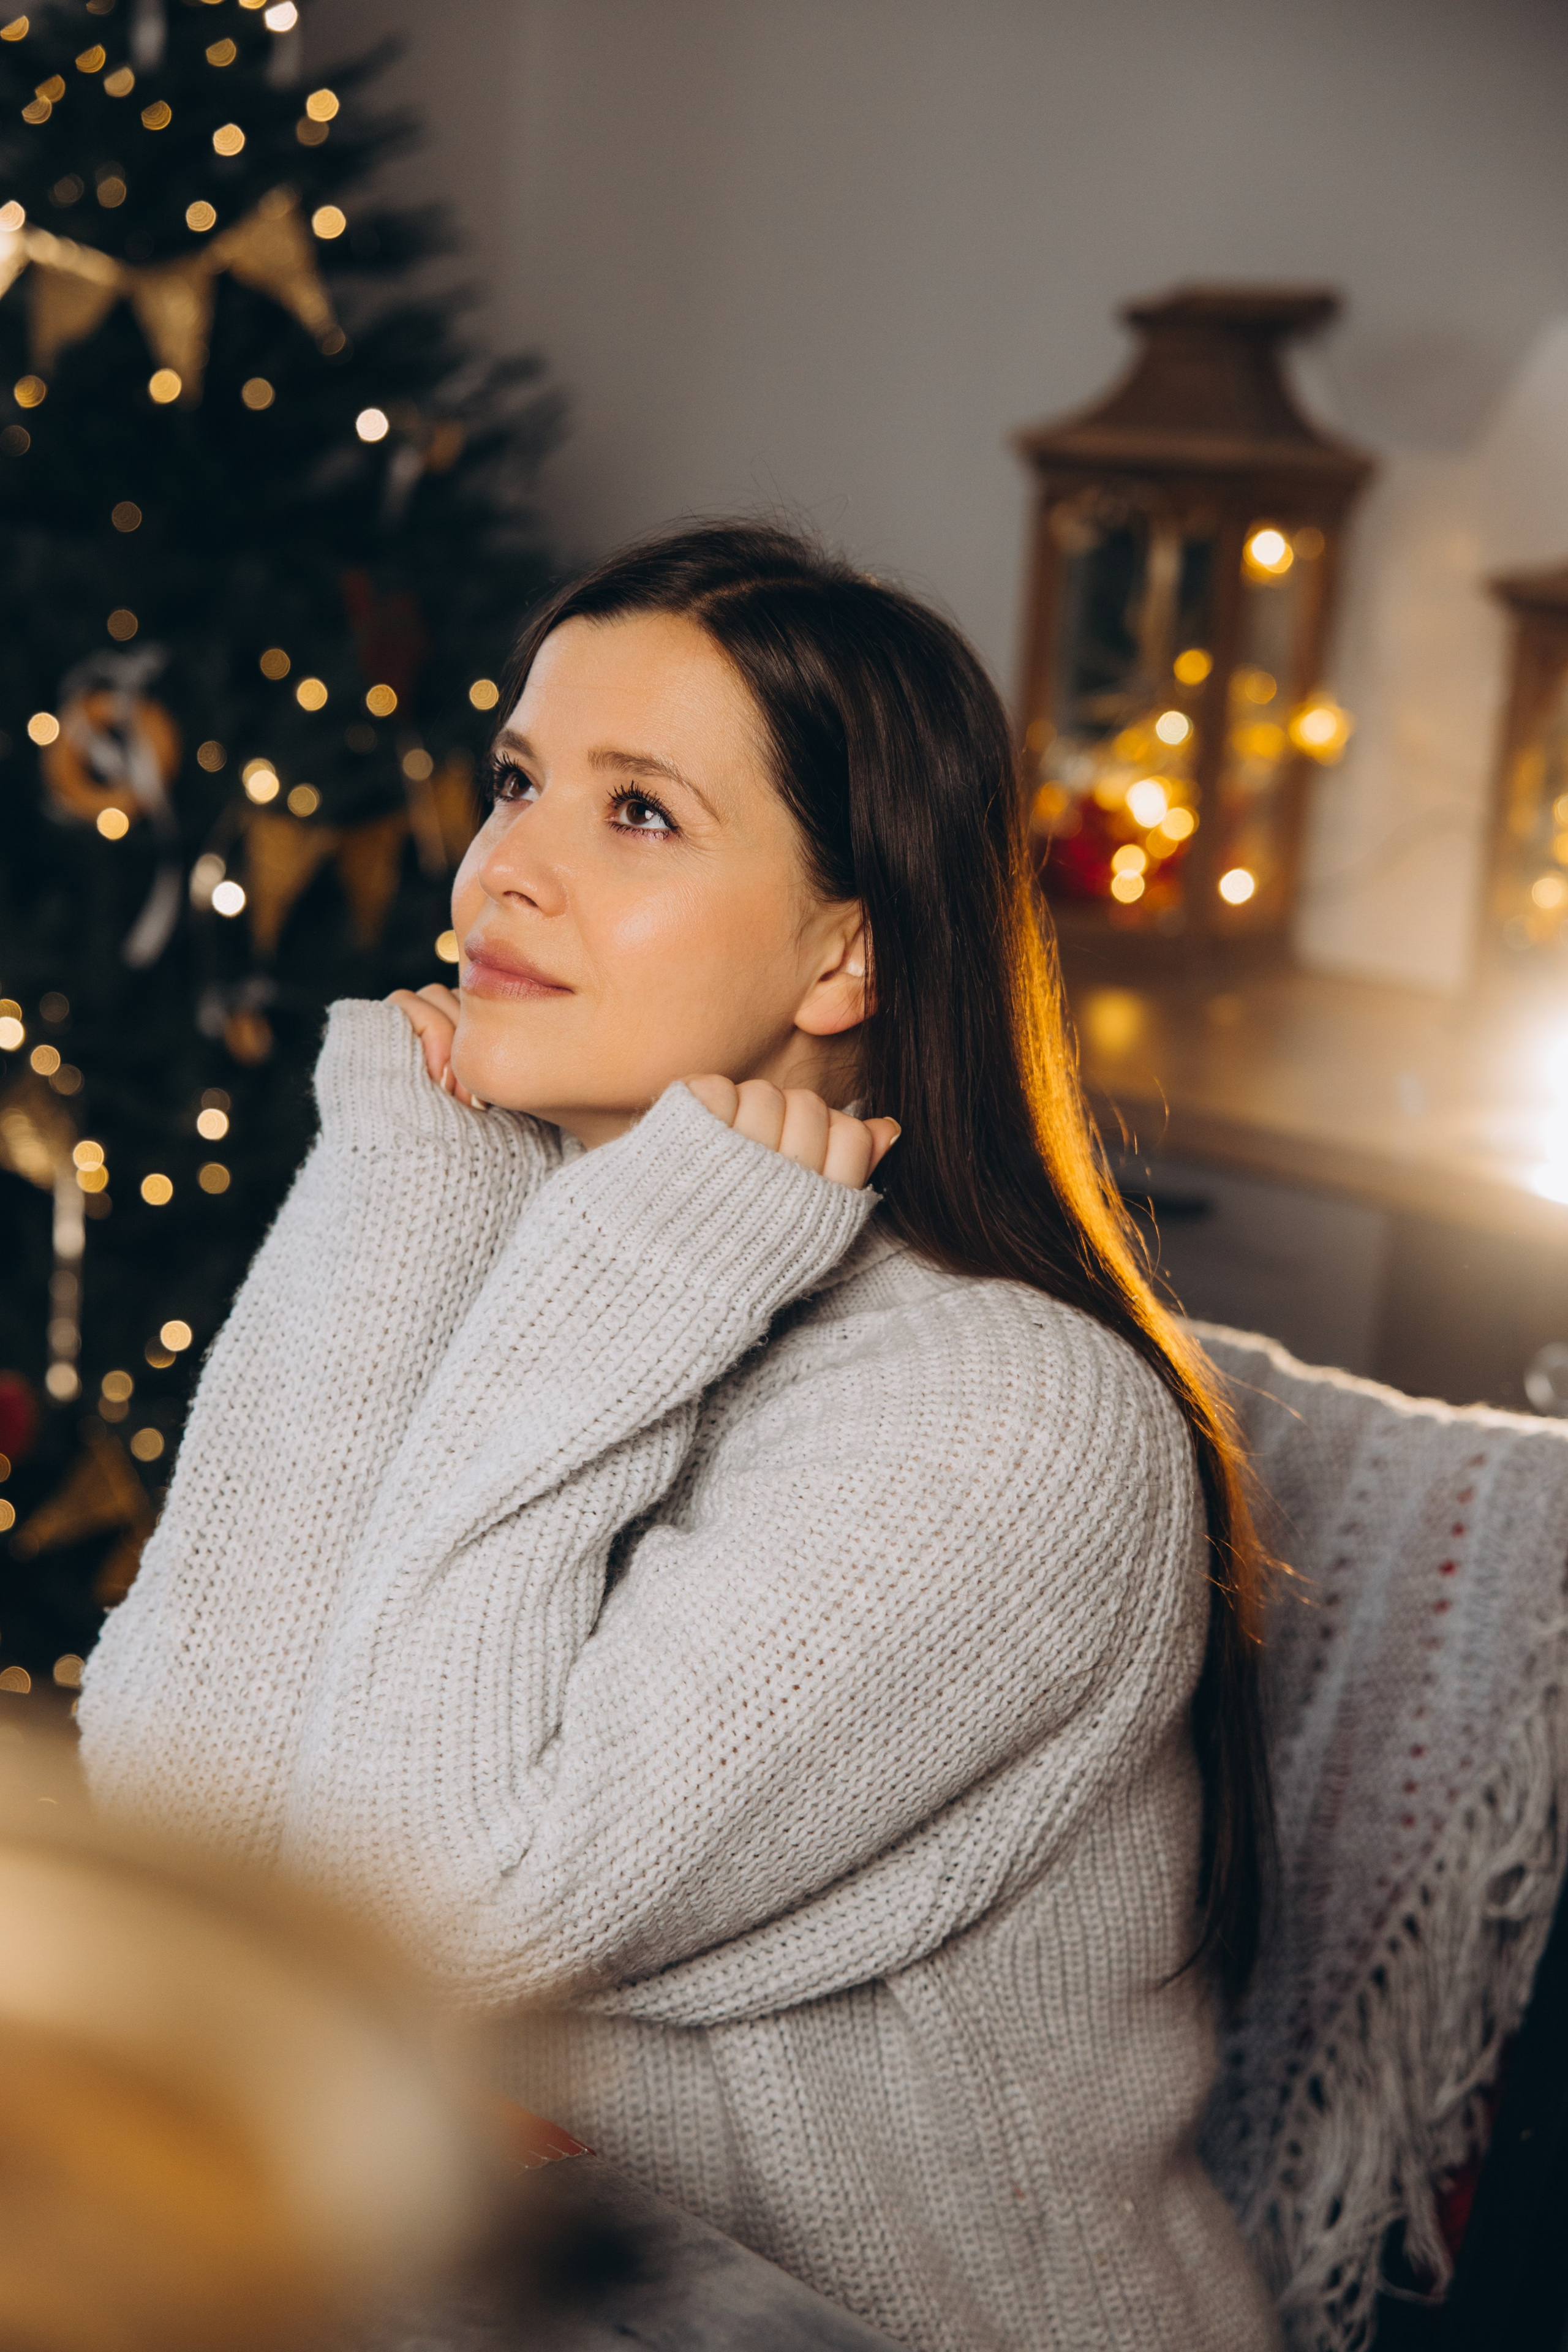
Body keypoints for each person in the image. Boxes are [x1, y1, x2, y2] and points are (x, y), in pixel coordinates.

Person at [79, 522, 1281, 2351]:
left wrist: (645, 1263)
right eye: (516, 782)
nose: (500, 870)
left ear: (844, 961)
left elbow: (414, 1918)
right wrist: (398, 1183)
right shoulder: (515, 1254)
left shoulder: (1011, 1417)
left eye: (636, 814)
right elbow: (191, 1860)